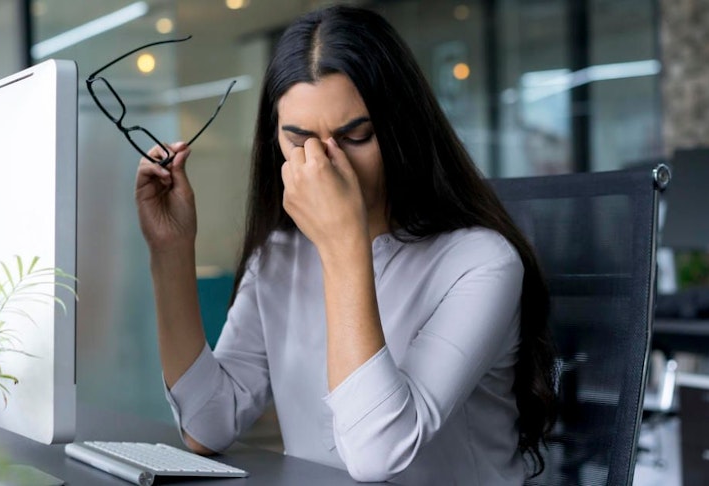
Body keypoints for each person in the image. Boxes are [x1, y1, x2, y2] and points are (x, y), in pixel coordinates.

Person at [134, 5, 557, 484]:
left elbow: (377, 455)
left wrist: (342, 244)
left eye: (354, 136)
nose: (324, 163)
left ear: (401, 131)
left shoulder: (482, 263)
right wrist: (170, 252)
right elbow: (207, 426)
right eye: (298, 140)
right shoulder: (279, 255)